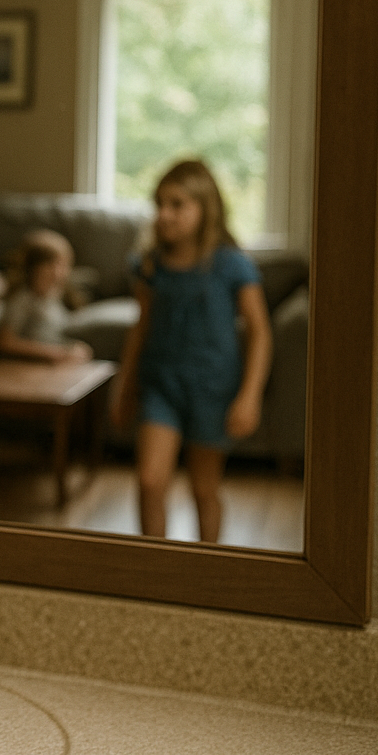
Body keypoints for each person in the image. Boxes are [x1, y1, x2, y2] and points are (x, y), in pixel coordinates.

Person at [111, 159, 271, 543]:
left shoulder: (232, 264)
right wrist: (123, 386)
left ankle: (208, 572)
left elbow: (260, 333)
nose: (164, 215)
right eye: (159, 204)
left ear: (205, 208)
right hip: (161, 387)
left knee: (204, 489)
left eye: (177, 204)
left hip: (212, 390)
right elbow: (140, 329)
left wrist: (249, 395)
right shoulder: (150, 266)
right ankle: (155, 572)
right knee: (150, 482)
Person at [0, 228, 93, 364]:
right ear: (34, 268)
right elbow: (4, 342)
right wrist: (55, 354)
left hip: (54, 361)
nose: (58, 272)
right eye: (51, 265)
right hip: (28, 365)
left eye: (63, 265)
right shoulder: (23, 300)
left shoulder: (56, 294)